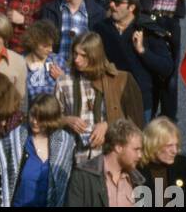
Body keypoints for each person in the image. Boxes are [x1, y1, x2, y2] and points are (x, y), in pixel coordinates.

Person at [55, 32, 145, 163]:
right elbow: (50, 119)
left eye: (83, 55)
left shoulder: (120, 80)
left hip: (110, 156)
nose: (76, 59)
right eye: (75, 53)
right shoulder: (63, 82)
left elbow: (135, 123)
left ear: (95, 56)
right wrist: (67, 120)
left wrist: (107, 125)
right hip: (74, 158)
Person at [93, 0, 173, 113]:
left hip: (139, 101)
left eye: (118, 2)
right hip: (107, 97)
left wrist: (143, 51)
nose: (112, 5)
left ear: (132, 7)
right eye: (110, 1)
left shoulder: (148, 30)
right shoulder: (100, 29)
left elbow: (166, 68)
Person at [0, 93, 76, 208]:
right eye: (32, 115)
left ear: (51, 118)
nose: (34, 121)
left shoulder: (64, 142)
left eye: (41, 118)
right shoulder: (17, 138)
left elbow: (68, 182)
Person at [63, 118, 146, 208]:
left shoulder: (137, 180)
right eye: (136, 149)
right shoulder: (83, 176)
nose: (140, 155)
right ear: (118, 147)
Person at [40, 0, 106, 73]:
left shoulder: (97, 13)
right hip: (55, 70)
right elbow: (43, 44)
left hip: (84, 72)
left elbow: (98, 50)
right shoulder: (50, 10)